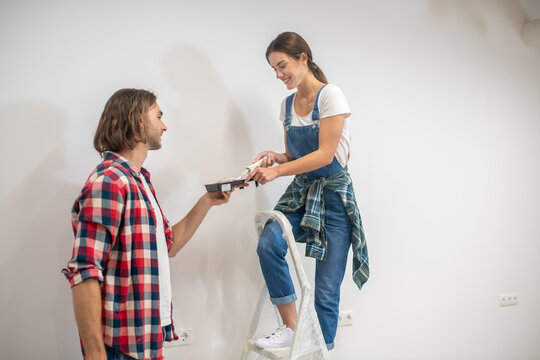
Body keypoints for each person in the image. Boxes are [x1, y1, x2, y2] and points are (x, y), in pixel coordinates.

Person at [62, 88, 234, 360]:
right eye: (159, 116)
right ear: (138, 121)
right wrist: (95, 354)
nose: (165, 126)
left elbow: (170, 245)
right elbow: (84, 271)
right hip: (118, 347)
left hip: (146, 338)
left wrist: (207, 201)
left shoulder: (139, 181)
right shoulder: (110, 182)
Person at [246, 32, 369, 350]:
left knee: (327, 291)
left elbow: (325, 155)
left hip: (335, 200)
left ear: (304, 58)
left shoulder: (331, 97)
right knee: (268, 244)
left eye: (282, 65)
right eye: (273, 69)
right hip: (304, 194)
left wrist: (276, 171)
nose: (278, 75)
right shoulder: (287, 105)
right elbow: (295, 157)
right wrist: (276, 157)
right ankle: (290, 326)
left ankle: (319, 352)